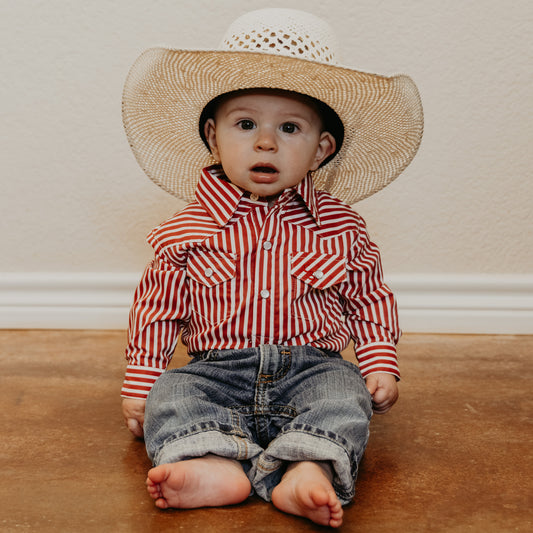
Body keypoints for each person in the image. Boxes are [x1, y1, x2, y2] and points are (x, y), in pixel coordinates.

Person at [120, 8, 423, 528]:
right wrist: (140, 380)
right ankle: (211, 462)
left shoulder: (341, 226)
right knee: (173, 392)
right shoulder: (188, 227)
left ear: (321, 148)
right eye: (246, 124)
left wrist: (378, 363)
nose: (266, 142)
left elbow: (370, 297)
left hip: (312, 366)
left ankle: (308, 464)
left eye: (289, 127)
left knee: (343, 396)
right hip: (217, 369)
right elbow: (157, 307)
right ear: (213, 137)